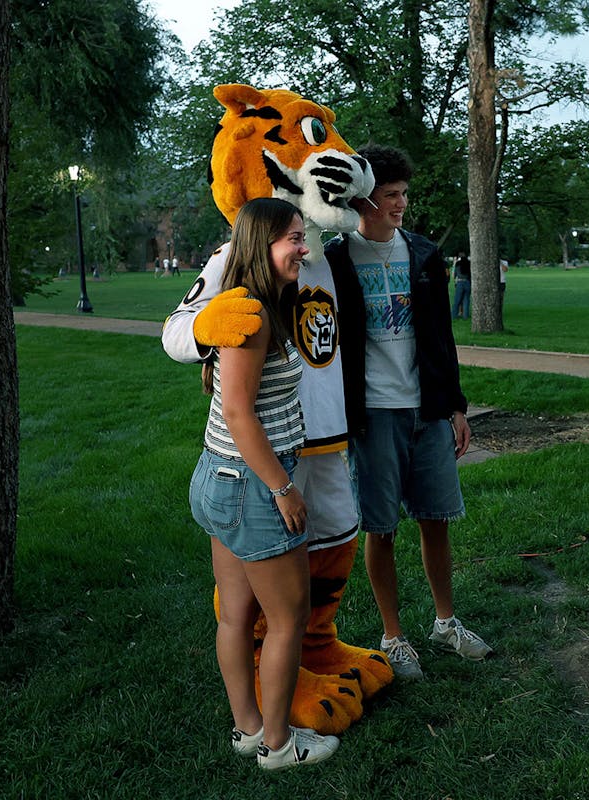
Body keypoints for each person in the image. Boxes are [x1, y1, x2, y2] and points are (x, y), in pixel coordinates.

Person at [323, 144, 492, 680]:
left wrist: (456, 408)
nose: (400, 205)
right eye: (391, 196)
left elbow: (441, 337)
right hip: (373, 415)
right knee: (381, 528)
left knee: (436, 519)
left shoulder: (421, 253)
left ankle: (446, 623)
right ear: (364, 200)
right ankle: (393, 636)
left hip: (427, 410)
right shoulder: (333, 258)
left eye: (403, 195)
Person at [187, 197, 340, 770]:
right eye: (294, 239)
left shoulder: (255, 304)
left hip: (219, 479)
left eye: (304, 237)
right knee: (287, 618)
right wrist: (283, 488)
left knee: (235, 614)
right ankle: (278, 745)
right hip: (253, 488)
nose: (304, 249)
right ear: (262, 245)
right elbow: (238, 413)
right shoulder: (249, 314)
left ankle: (249, 730)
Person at [451, 251, 471, 319]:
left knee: (457, 300)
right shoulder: (469, 263)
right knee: (466, 300)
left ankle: (454, 315)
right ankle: (465, 316)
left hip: (460, 282)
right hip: (467, 282)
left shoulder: (458, 263)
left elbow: (454, 275)